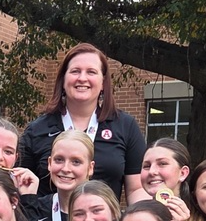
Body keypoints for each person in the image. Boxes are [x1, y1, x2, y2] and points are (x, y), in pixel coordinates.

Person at [18, 43, 148, 202]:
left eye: (91, 72)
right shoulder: (37, 129)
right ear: (63, 80)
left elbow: (136, 189)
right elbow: (21, 185)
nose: (82, 78)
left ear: (103, 83)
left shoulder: (125, 126)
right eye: (75, 71)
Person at [24, 129, 95, 221]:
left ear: (90, 168)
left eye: (76, 162)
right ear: (49, 163)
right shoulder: (34, 209)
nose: (66, 168)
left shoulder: (102, 214)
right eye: (59, 159)